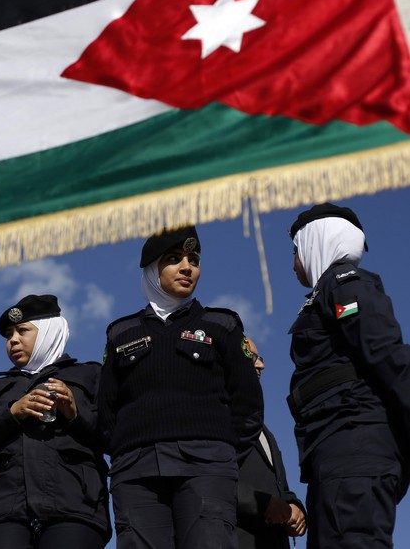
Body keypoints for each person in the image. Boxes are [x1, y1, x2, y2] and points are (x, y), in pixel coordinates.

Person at [99, 225, 264, 549]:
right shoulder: (121, 333)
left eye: (194, 259)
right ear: (151, 269)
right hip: (136, 471)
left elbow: (248, 404)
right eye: (174, 259)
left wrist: (221, 453)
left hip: (207, 467)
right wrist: (125, 449)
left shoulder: (222, 324)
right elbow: (105, 410)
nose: (187, 267)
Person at [287, 202, 410, 548]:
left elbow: (386, 354)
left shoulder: (343, 284)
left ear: (316, 242)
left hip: (355, 448)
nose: (293, 264)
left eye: (296, 252)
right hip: (336, 452)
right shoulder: (329, 291)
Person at [0, 294, 110, 549]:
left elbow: (113, 436)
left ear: (48, 332)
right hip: (4, 512)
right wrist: (12, 413)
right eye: (9, 335)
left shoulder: (90, 375)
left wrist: (75, 412)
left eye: (22, 331)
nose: (13, 340)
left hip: (76, 508)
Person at [236, 337, 306, 548]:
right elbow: (205, 478)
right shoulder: (210, 416)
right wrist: (263, 504)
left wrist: (293, 506)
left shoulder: (264, 430)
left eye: (261, 358)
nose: (261, 365)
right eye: (252, 357)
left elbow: (279, 487)